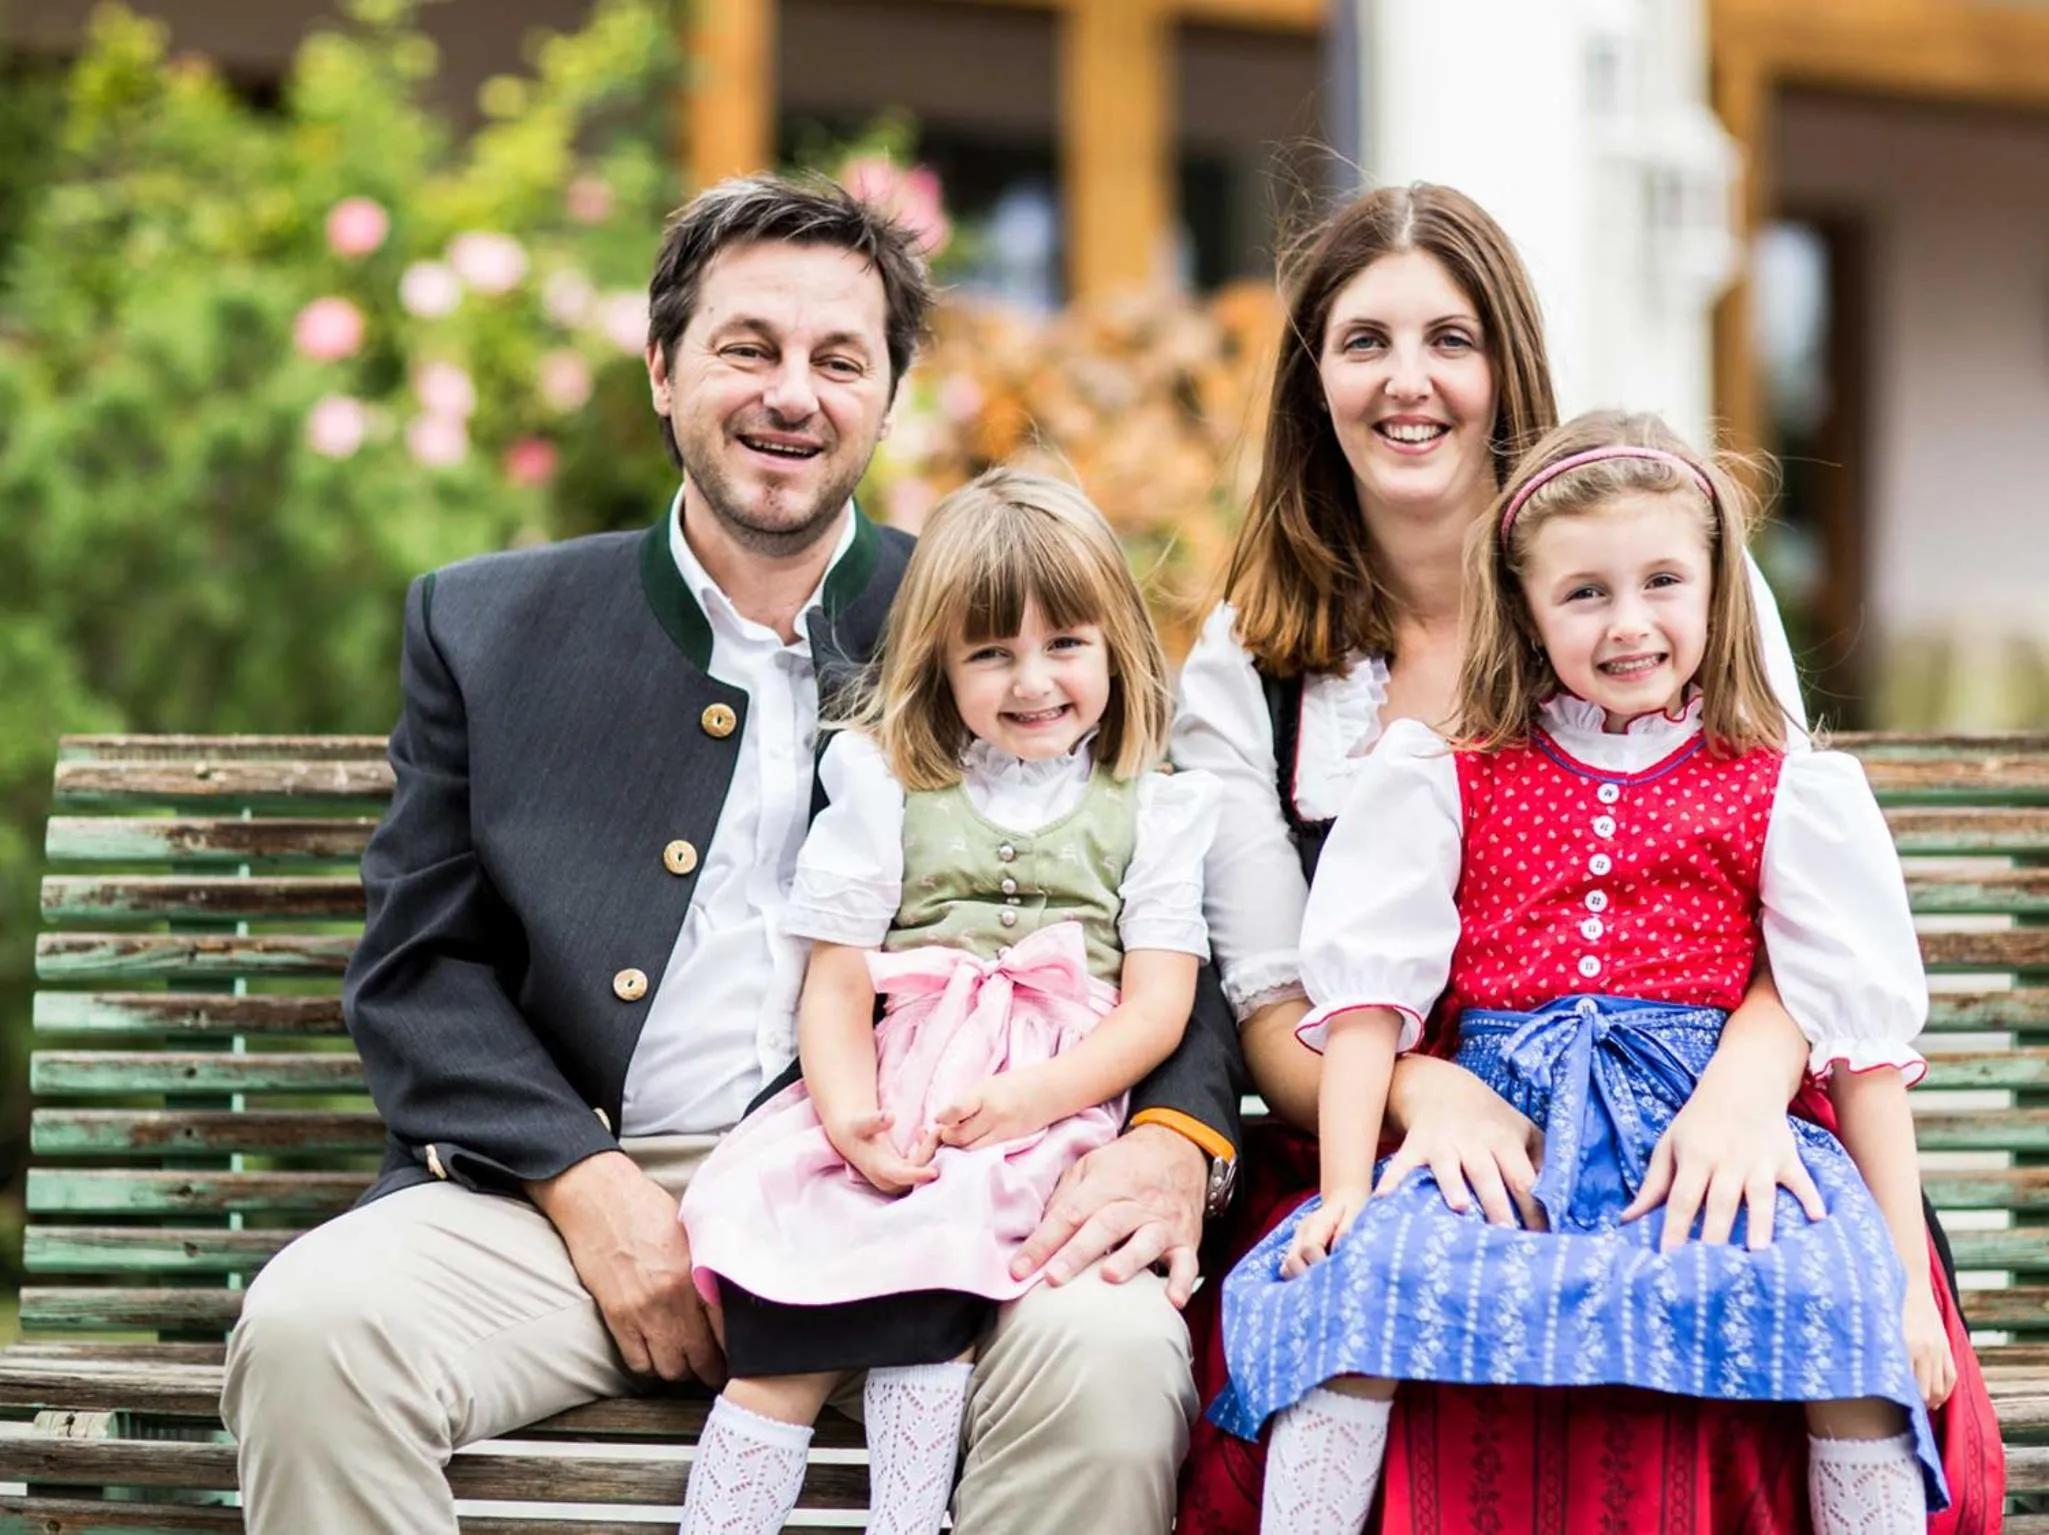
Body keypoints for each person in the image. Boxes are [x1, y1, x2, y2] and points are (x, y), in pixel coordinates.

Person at [219, 176, 1241, 1535]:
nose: (791, 394)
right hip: (569, 1207)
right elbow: (420, 970)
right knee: (311, 1330)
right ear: (662, 366)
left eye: (839, 359)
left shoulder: (994, 620)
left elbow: (1160, 907)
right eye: (746, 347)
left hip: (934, 1202)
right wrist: (587, 1189)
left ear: (888, 395)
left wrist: (1175, 1138)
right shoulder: (491, 626)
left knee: (1112, 1363)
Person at [1170, 182, 2002, 1534]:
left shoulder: (1662, 568)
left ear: (1506, 366)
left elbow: (1795, 911)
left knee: (1736, 1321)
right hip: (1394, 1127)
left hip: (1713, 1111)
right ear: (1310, 378)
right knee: (1378, 1319)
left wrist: (1739, 1086)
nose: (1408, 380)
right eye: (1363, 340)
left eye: (1450, 337)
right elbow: (1279, 1001)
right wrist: (1423, 1097)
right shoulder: (1255, 665)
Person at [674, 468, 1219, 1534]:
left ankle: (906, 1517)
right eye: (991, 652)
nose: (1032, 681)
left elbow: (1158, 1005)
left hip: (1047, 1108)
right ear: (942, 662)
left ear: (1115, 643)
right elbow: (835, 975)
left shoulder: (1153, 805)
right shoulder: (888, 787)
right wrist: (846, 1114)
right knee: (785, 1338)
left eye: (1065, 643)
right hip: (901, 1092)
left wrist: (1034, 1097)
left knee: (937, 1315)